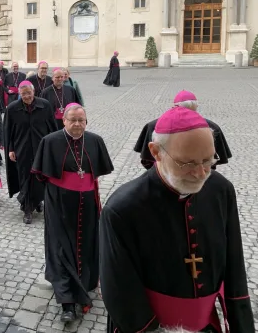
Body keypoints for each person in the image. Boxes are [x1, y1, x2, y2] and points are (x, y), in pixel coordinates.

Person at [100, 107, 254, 332]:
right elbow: (120, 290)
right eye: (188, 163)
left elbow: (234, 264)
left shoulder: (221, 190)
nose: (201, 173)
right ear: (156, 152)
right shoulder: (122, 209)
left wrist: (242, 325)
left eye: (208, 160)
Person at [31, 103, 113, 322]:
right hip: (59, 203)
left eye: (81, 120)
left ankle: (85, 282)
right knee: (62, 247)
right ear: (64, 121)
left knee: (86, 243)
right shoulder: (50, 141)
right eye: (73, 120)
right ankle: (67, 302)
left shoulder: (95, 141)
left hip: (88, 203)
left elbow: (99, 171)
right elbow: (41, 174)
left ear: (86, 121)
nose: (77, 124)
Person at [134, 90, 232, 171]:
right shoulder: (212, 126)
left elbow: (146, 159)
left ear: (175, 106)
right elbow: (216, 160)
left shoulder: (152, 125)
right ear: (196, 107)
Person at [4, 81, 57, 224]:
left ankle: (37, 200)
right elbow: (8, 131)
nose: (27, 96)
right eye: (23, 94)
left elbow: (52, 127)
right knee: (26, 177)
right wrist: (10, 149)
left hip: (41, 147)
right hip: (22, 149)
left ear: (34, 92)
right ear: (19, 94)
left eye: (29, 93)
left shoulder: (44, 105)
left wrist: (54, 146)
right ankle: (27, 209)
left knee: (40, 175)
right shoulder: (12, 108)